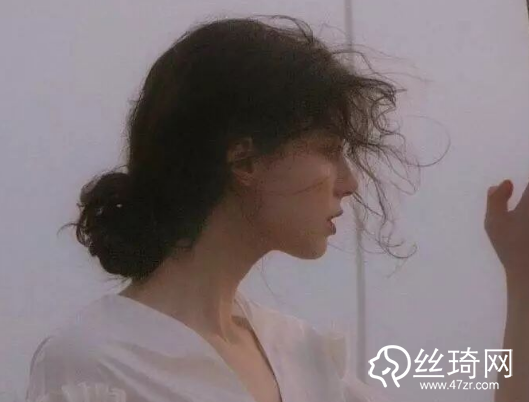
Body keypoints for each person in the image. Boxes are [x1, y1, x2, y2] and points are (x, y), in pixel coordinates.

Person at [25, 13, 487, 402]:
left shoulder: (302, 354)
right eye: (329, 150)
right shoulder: (96, 364)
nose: (350, 183)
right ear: (244, 160)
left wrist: (519, 279)